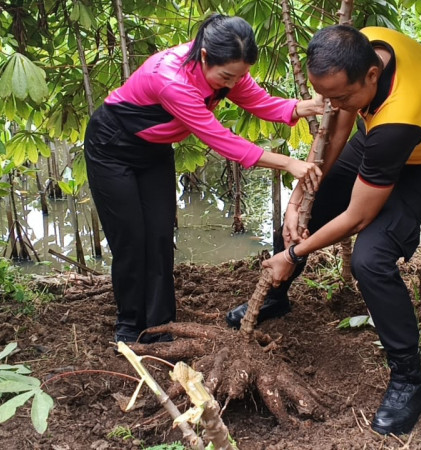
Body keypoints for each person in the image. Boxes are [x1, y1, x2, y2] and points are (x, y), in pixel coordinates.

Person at [225, 25, 421, 435]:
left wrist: (293, 255)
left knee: (370, 259)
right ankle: (276, 300)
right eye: (326, 96)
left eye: (340, 96)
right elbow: (338, 126)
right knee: (310, 203)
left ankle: (410, 381)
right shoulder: (360, 46)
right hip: (376, 133)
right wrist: (298, 200)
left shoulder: (400, 117)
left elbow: (358, 217)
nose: (332, 104)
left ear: (371, 77)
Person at [85, 14, 324, 346]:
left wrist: (301, 107)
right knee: (131, 240)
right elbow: (220, 139)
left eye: (238, 77)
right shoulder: (169, 79)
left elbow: (258, 101)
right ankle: (129, 326)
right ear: (205, 56)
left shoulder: (230, 69)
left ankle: (160, 324)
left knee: (157, 236)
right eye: (225, 77)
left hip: (155, 150)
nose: (230, 85)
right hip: (112, 146)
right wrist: (288, 163)